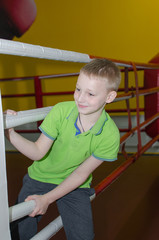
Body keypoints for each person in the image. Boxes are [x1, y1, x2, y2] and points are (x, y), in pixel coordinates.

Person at [5, 58, 121, 240]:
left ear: (109, 97)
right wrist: (9, 132)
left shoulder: (110, 135)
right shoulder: (61, 111)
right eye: (78, 89)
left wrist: (47, 199)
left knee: (83, 236)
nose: (80, 98)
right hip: (40, 177)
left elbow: (80, 174)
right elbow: (37, 152)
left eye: (90, 94)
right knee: (18, 232)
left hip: (75, 185)